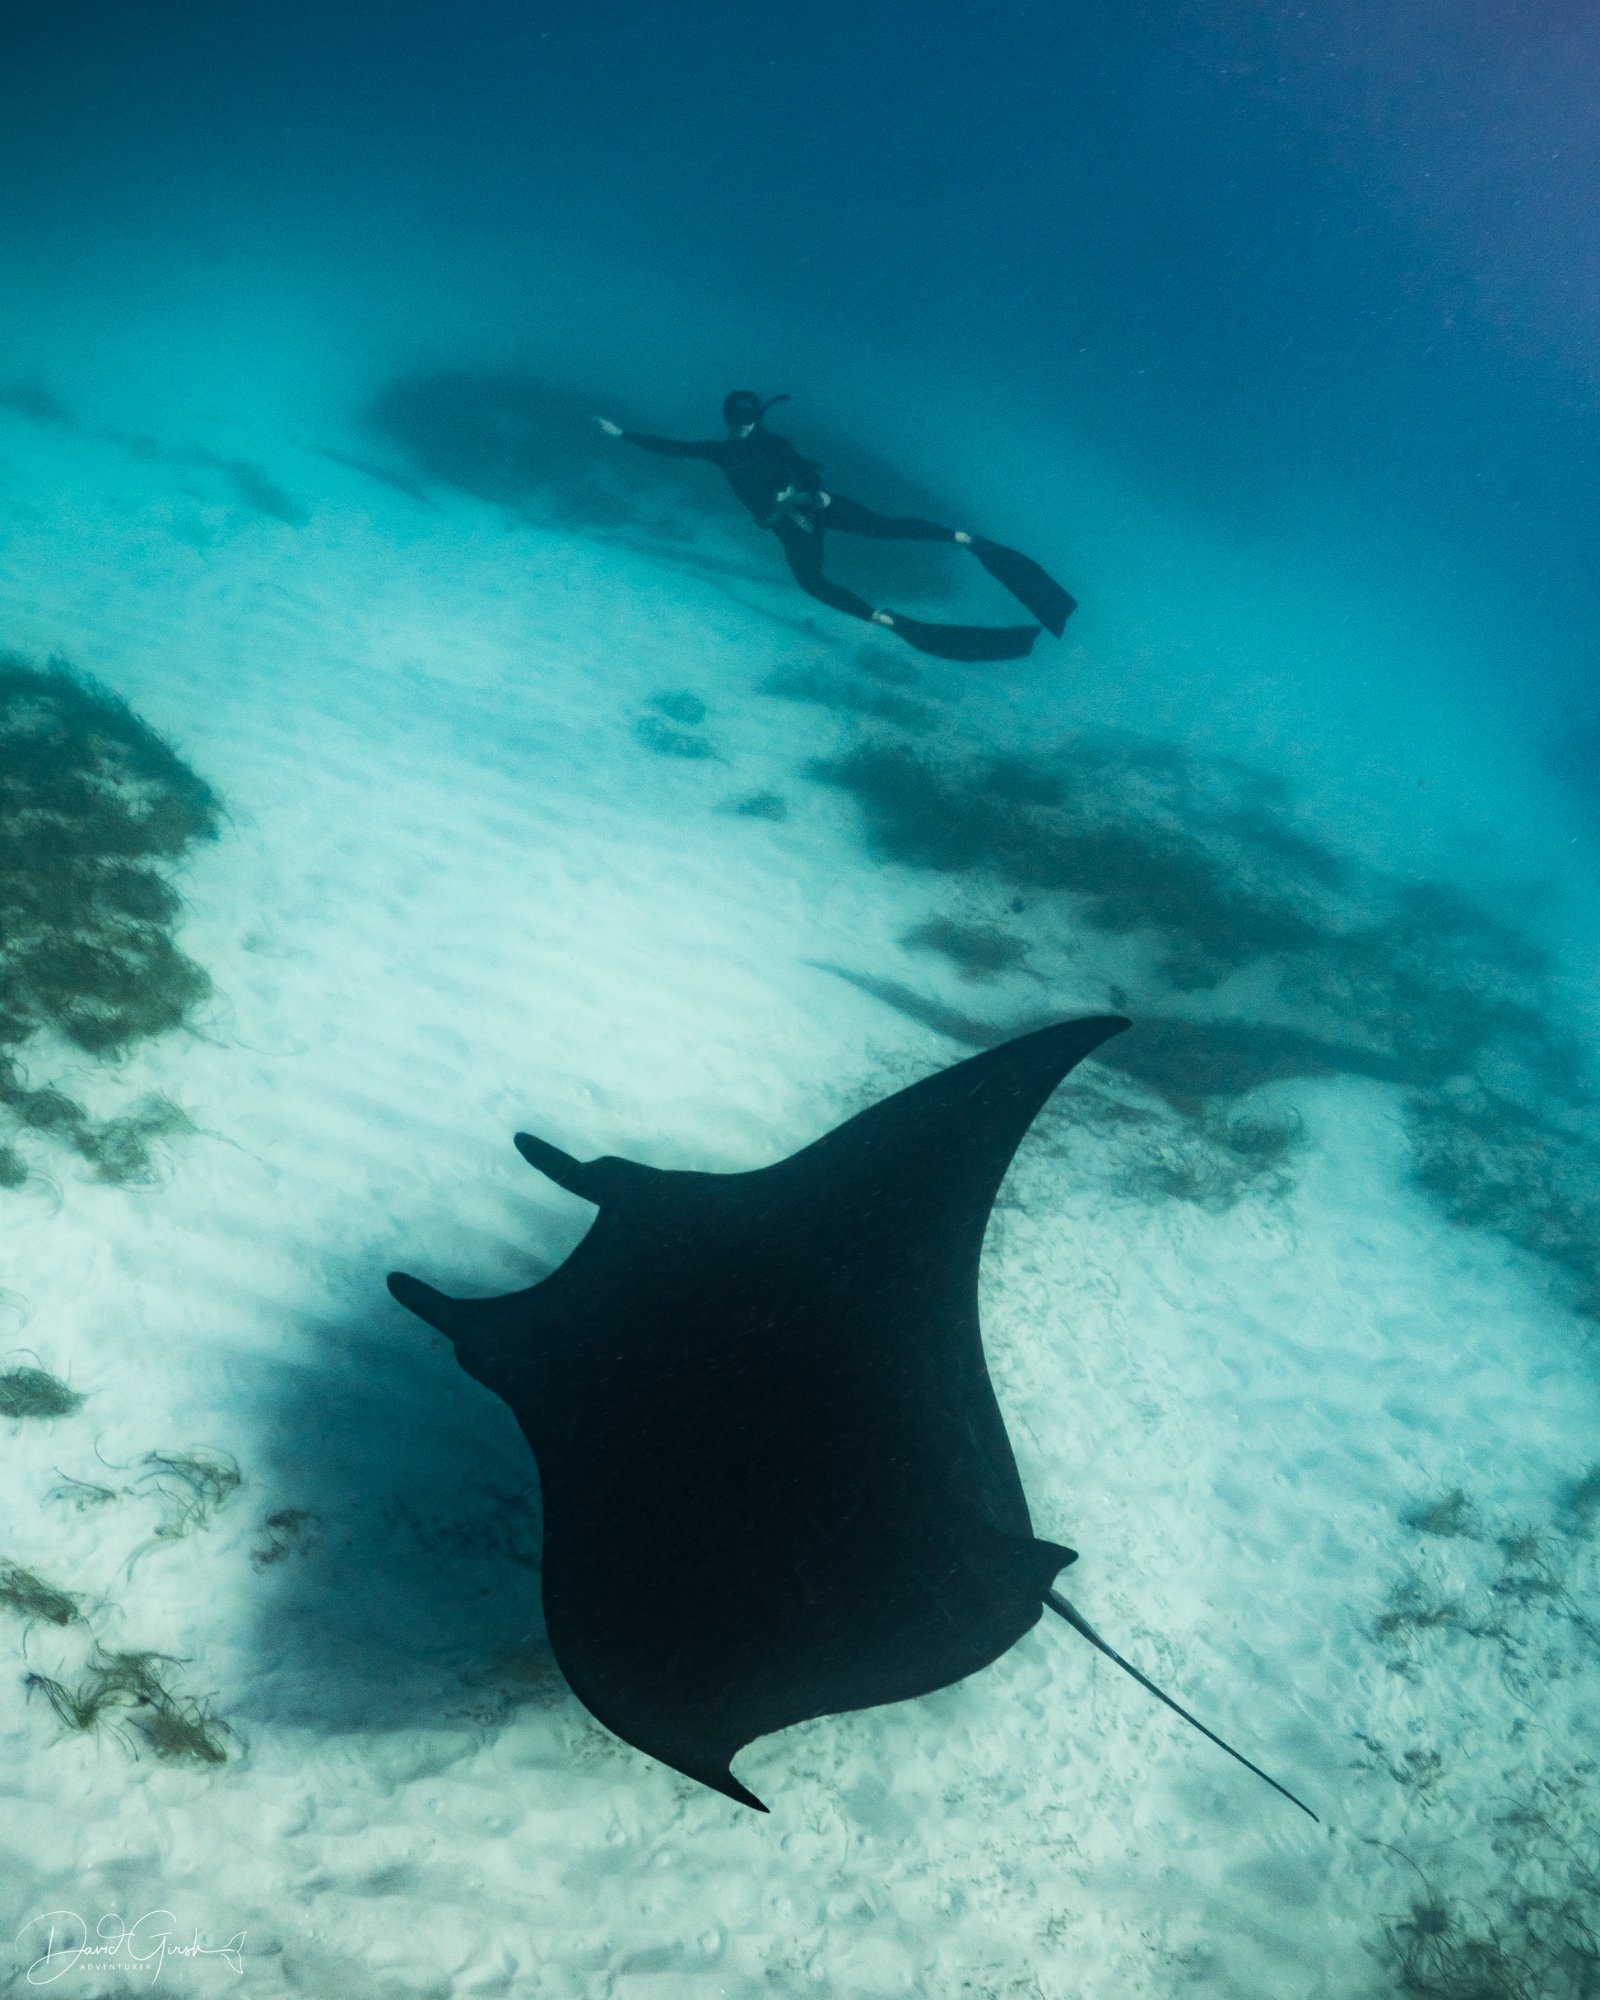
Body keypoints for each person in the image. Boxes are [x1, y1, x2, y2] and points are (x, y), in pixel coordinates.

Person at [595, 391, 1075, 663]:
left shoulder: (769, 443)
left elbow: (796, 464)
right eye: (734, 418)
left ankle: (965, 540)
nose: (739, 424)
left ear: (755, 418)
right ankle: (884, 618)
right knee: (814, 583)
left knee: (884, 530)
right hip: (792, 526)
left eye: (745, 418)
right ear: (727, 418)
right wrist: (624, 435)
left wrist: (805, 489)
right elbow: (674, 448)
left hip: (813, 509)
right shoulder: (722, 451)